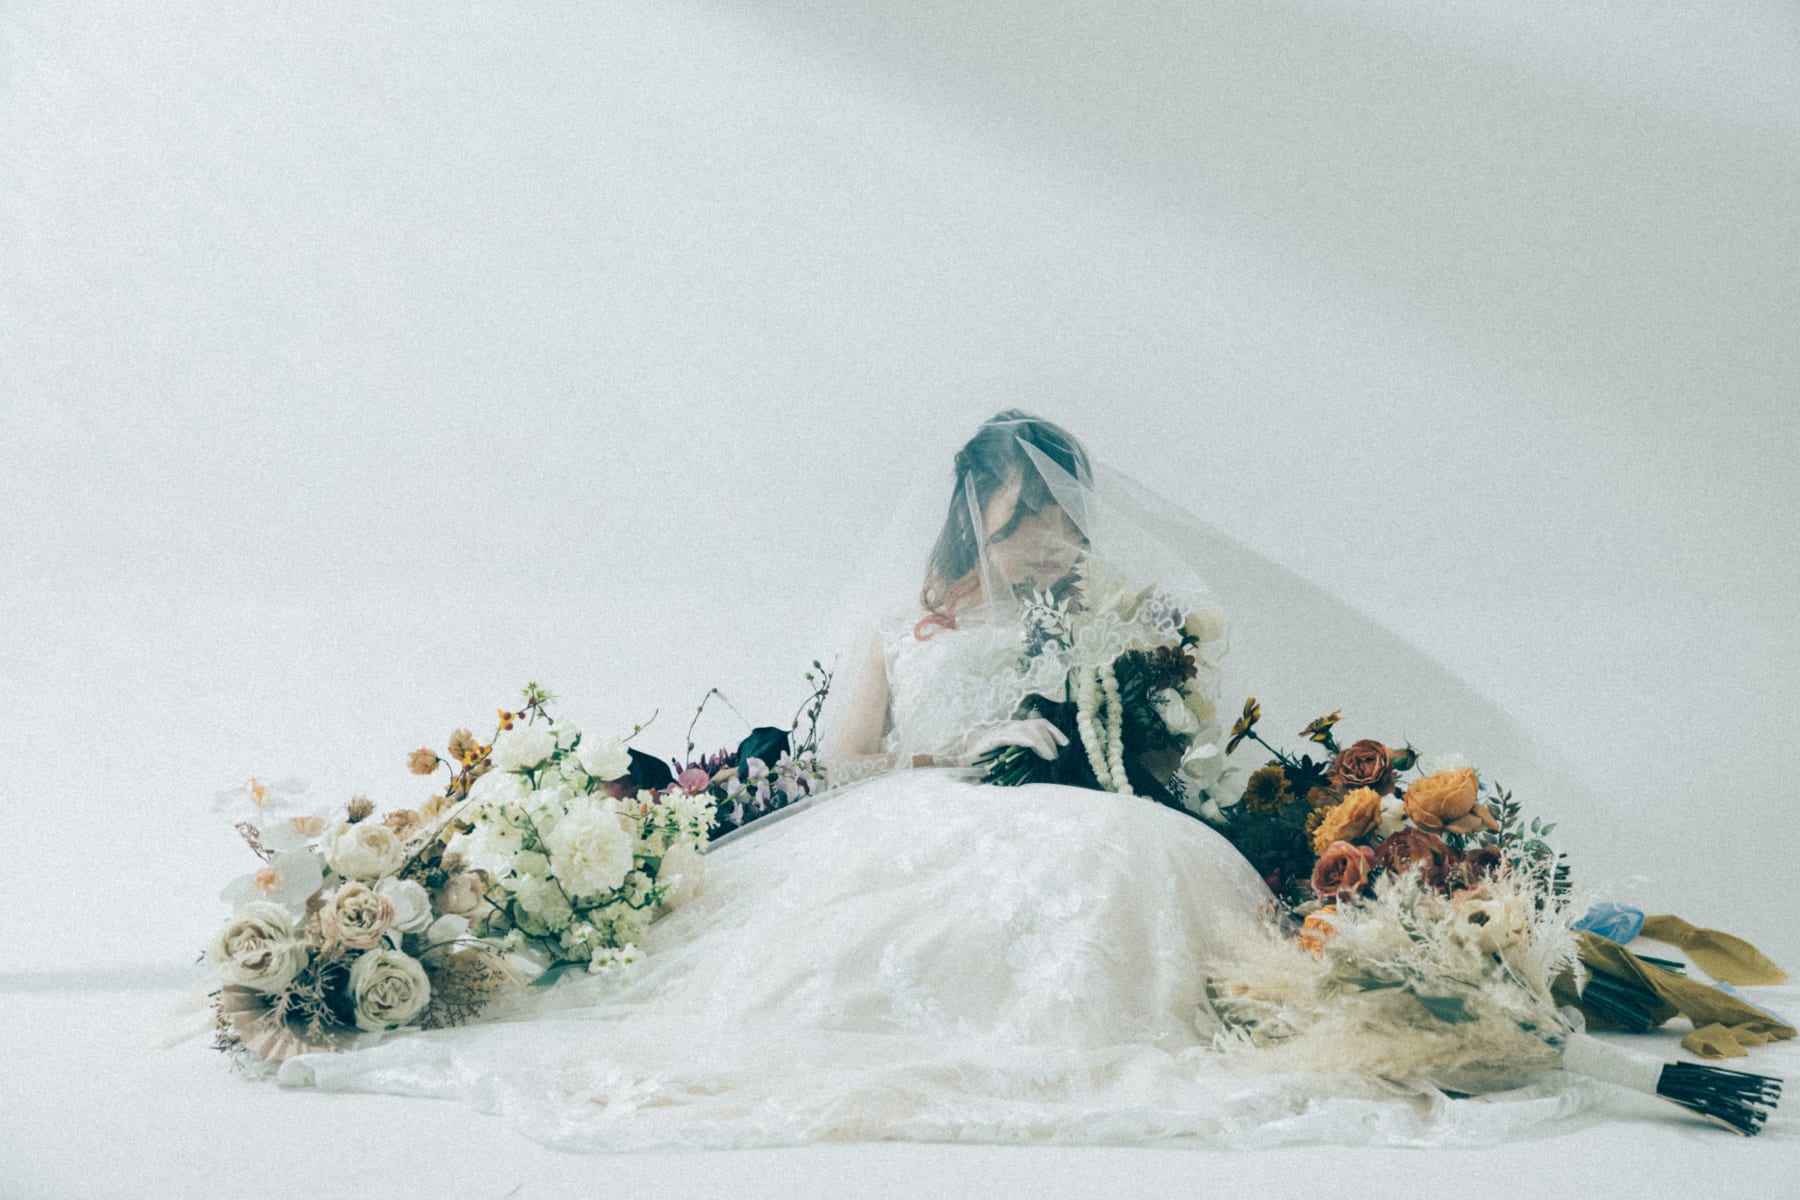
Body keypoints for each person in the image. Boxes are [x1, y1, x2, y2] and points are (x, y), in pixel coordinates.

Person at [275, 412, 1632, 1150]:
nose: (1044, 543)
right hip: (919, 798)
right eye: (1021, 520)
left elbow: (1150, 748)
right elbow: (847, 758)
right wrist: (923, 763)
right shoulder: (899, 624)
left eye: (1059, 521)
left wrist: (1101, 715)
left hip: (1076, 804)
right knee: (901, 882)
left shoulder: (1105, 618)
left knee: (1112, 859)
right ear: (974, 517)